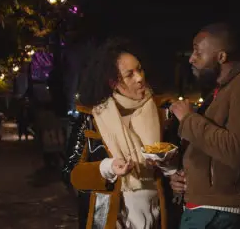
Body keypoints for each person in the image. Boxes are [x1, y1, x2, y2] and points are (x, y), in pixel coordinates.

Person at [169, 23, 240, 229]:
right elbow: (210, 150)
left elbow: (236, 149)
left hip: (220, 214)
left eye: (198, 52)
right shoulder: (222, 90)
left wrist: (188, 119)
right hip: (206, 211)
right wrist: (184, 178)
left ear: (221, 57)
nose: (192, 58)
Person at [70, 37, 173, 229]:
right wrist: (107, 167)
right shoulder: (91, 119)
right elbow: (73, 174)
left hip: (156, 216)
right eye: (130, 74)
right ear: (113, 82)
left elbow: (178, 167)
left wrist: (168, 165)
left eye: (140, 69)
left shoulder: (163, 113)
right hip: (111, 219)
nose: (140, 78)